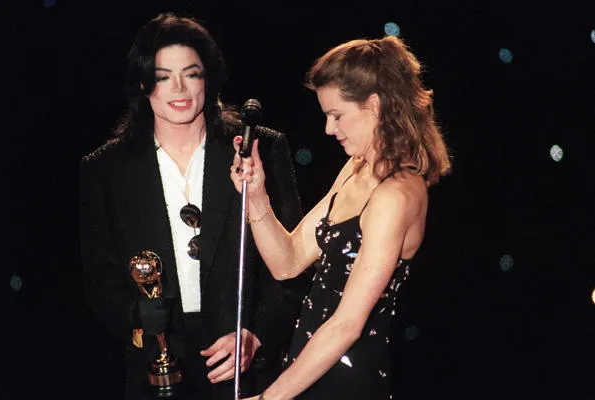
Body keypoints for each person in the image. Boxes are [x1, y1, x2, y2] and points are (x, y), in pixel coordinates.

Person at [79, 12, 307, 400]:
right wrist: (135, 315)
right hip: (159, 369)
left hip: (240, 366)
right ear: (143, 84)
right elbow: (99, 279)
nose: (179, 88)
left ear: (208, 78)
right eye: (163, 76)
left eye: (192, 74)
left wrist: (258, 335)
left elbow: (293, 261)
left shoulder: (260, 148)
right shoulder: (106, 169)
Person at [230, 35, 452, 399]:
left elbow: (348, 324)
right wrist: (256, 196)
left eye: (337, 115)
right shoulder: (355, 168)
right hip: (307, 369)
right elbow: (287, 262)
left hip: (346, 383)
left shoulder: (396, 196)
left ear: (375, 106)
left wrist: (269, 398)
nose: (328, 129)